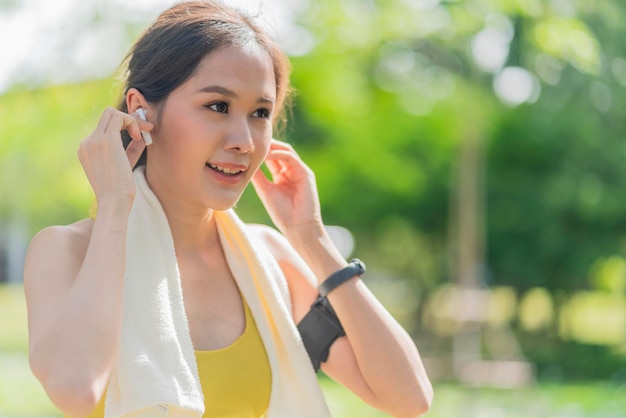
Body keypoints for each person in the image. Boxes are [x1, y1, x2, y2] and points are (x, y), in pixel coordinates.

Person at [23, 1, 433, 417]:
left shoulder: (270, 261)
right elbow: (75, 389)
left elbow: (408, 398)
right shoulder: (69, 251)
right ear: (140, 110)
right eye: (218, 106)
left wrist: (312, 237)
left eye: (260, 113)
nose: (244, 140)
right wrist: (114, 204)